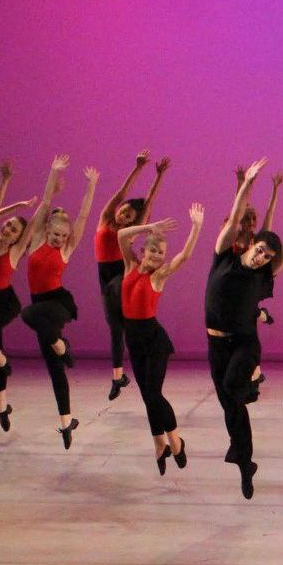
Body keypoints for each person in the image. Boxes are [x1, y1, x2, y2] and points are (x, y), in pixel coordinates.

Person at [206, 157, 283, 498]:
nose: (262, 257)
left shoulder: (264, 275)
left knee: (233, 389)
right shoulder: (224, 255)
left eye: (267, 256)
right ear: (252, 245)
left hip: (244, 342)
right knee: (230, 404)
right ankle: (245, 462)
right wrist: (247, 183)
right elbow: (235, 215)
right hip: (215, 344)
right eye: (260, 250)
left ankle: (252, 382)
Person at [116, 202, 205, 473]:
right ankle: (159, 444)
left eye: (161, 253)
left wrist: (196, 227)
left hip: (154, 340)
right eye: (153, 250)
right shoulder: (130, 265)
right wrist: (149, 227)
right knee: (147, 395)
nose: (157, 256)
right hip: (133, 339)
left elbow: (185, 257)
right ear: (143, 251)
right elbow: (120, 235)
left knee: (153, 393)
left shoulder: (160, 275)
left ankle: (176, 441)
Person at [20, 161, 99, 447]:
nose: (59, 239)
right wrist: (53, 172)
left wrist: (91, 184)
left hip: (57, 303)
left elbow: (83, 215)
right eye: (56, 235)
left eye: (63, 237)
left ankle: (62, 345)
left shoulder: (66, 247)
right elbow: (45, 203)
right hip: (39, 305)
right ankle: (66, 423)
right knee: (54, 367)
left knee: (27, 314)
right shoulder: (38, 238)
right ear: (47, 230)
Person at [0, 161, 49, 431]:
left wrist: (48, 197)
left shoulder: (14, 252)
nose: (7, 229)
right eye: (8, 226)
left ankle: (3, 360)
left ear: (19, 239)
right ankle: (3, 408)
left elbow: (33, 225)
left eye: (14, 230)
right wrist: (4, 183)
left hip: (5, 302)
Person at [93, 152, 169, 401]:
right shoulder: (106, 218)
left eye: (129, 217)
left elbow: (148, 204)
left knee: (127, 322)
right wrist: (137, 168)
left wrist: (158, 177)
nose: (123, 216)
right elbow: (122, 192)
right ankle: (118, 377)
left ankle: (150, 352)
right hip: (104, 277)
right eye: (123, 212)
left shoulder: (128, 232)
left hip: (121, 273)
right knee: (116, 328)